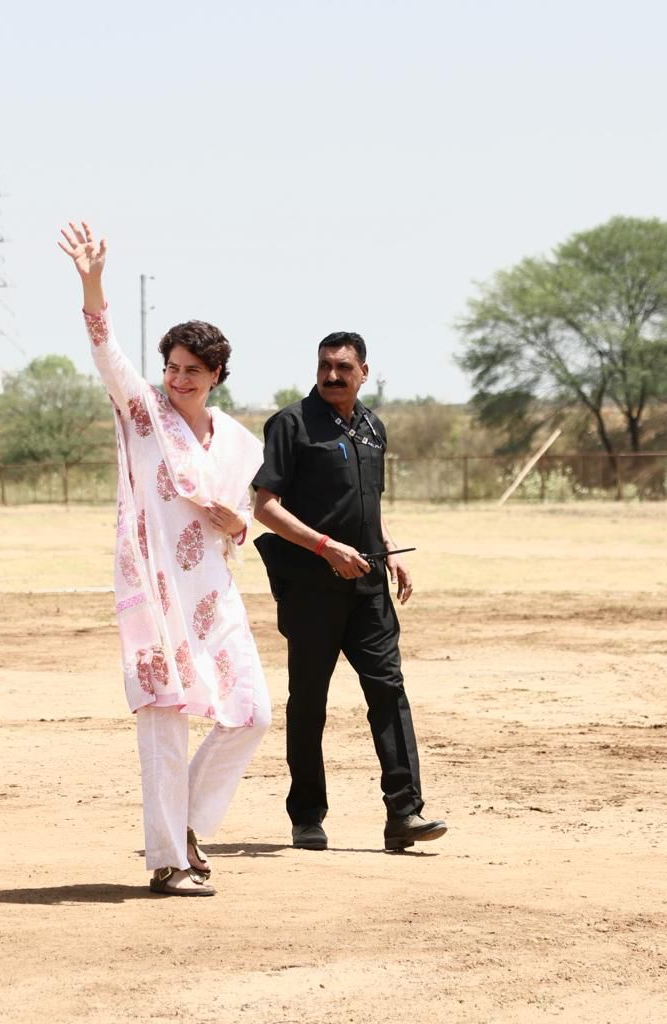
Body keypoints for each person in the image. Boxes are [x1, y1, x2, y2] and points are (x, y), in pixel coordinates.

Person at [59, 221, 271, 896]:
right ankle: (168, 860)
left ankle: (186, 826)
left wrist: (231, 518)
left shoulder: (239, 442)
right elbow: (104, 346)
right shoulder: (142, 409)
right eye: (171, 367)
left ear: (216, 376)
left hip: (211, 590)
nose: (177, 379)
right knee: (164, 719)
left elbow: (245, 522)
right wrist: (92, 279)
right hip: (153, 586)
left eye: (192, 370)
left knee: (253, 711)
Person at [252, 331, 447, 852]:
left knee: (389, 691)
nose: (332, 375)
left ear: (364, 371)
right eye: (324, 366)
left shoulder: (372, 427)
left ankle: (404, 814)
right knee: (309, 701)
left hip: (368, 586)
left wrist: (386, 542)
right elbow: (265, 507)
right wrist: (326, 547)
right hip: (312, 587)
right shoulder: (291, 424)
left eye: (343, 367)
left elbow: (365, 504)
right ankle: (306, 815)